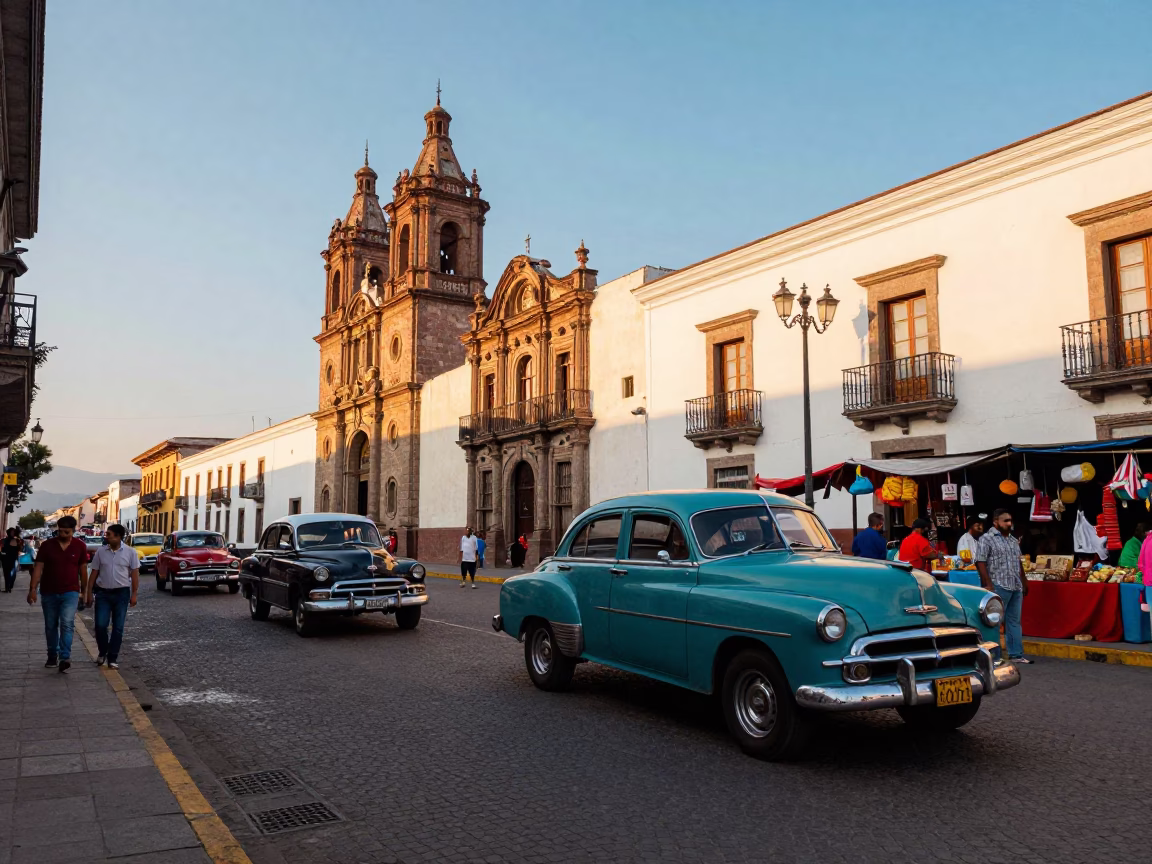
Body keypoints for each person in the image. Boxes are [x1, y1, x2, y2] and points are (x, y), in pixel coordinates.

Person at [27, 514, 88, 673]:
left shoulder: (80, 546)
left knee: (67, 624)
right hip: (48, 592)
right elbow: (38, 567)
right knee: (50, 625)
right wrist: (32, 589)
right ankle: (52, 655)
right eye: (60, 531)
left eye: (66, 532)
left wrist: (85, 591)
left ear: (73, 531)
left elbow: (83, 570)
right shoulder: (47, 546)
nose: (62, 535)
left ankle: (64, 657)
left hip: (71, 592)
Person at [976, 508, 1031, 665]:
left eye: (1010, 520)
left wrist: (1024, 581)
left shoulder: (1013, 540)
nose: (1009, 523)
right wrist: (987, 583)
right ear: (995, 522)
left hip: (1015, 585)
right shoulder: (987, 539)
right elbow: (980, 561)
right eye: (1005, 520)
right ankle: (994, 656)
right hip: (998, 584)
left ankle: (1016, 654)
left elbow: (1018, 562)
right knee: (994, 621)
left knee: (1014, 621)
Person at [84, 523, 139, 669]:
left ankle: (113, 657)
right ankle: (103, 652)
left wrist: (134, 594)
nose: (106, 536)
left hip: (122, 593)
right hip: (103, 593)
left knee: (118, 627)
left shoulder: (130, 552)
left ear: (118, 536)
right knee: (100, 625)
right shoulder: (101, 552)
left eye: (109, 534)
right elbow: (94, 573)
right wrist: (88, 592)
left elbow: (134, 574)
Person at [2, 527, 23, 592]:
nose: (13, 533)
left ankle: (9, 587)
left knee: (12, 574)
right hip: (6, 558)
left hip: (13, 559)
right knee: (7, 573)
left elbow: (20, 550)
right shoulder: (5, 540)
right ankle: (7, 588)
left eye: (14, 532)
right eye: (12, 532)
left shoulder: (17, 540)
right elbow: (2, 549)